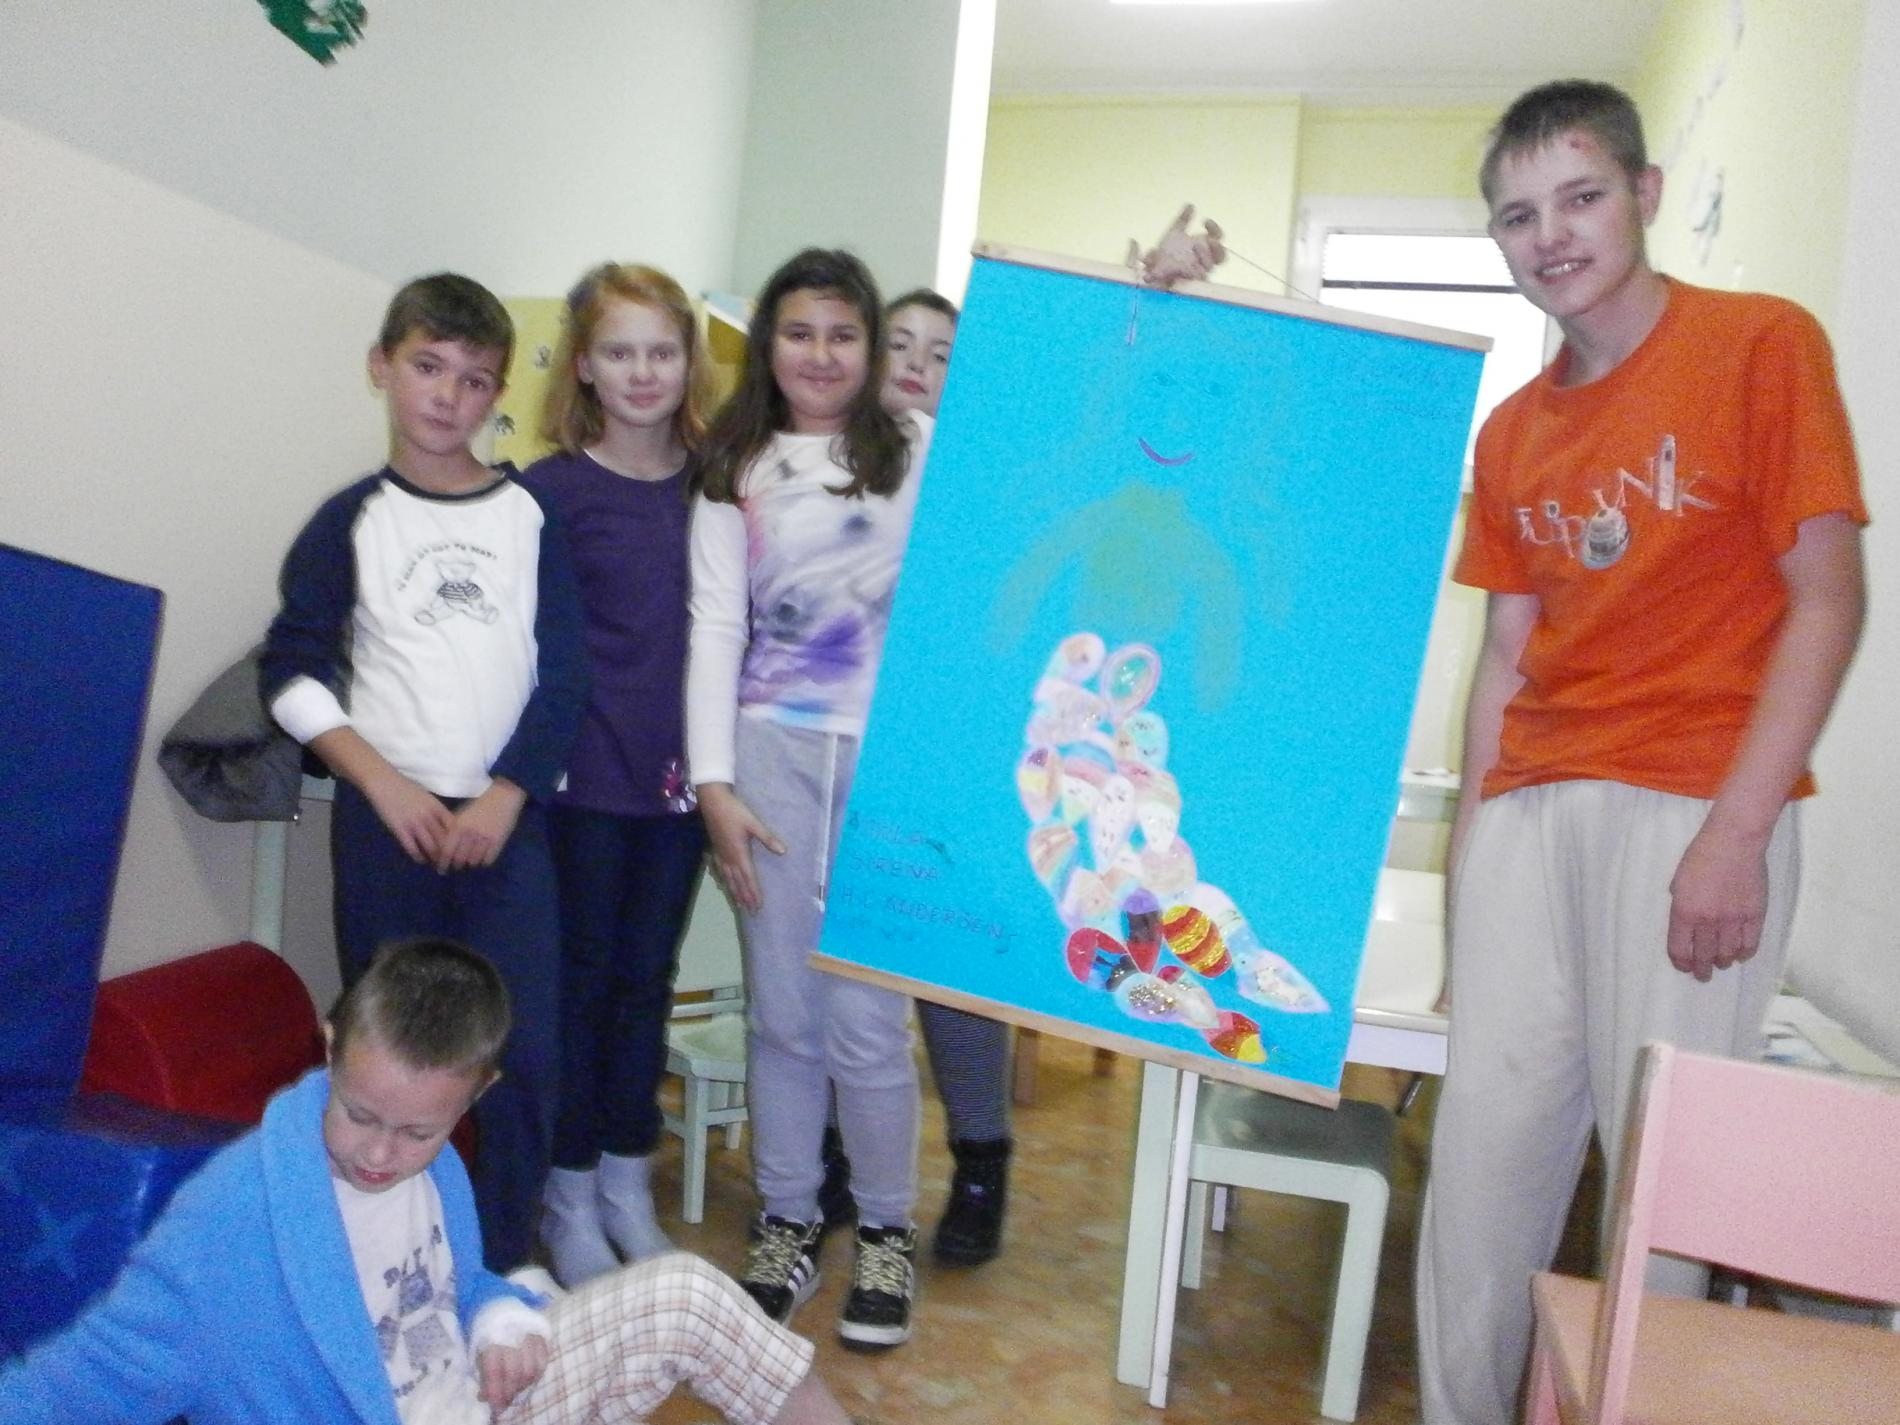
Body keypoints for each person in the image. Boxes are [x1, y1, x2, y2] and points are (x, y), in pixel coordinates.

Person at [1414, 80, 1867, 1425]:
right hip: (1529, 812)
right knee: (1478, 1179)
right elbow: (1506, 658)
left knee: (1659, 1197)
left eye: (1580, 197)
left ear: (1644, 194)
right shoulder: (1510, 432)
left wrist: (1736, 834)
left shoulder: (1761, 344)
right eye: (1517, 216)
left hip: (1691, 808)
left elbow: (1828, 600)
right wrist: (1468, 874)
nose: (1550, 235)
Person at [0, 938, 853, 1425]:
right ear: (330, 1046)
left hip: (481, 1398)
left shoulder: (437, 1169)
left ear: (476, 1092)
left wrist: (496, 1318)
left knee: (689, 1297)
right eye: (361, 1114)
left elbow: (452, 1285)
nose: (380, 1153)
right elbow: (83, 1377)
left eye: (418, 1130)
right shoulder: (229, 1222)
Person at [259, 273, 589, 1272]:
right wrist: (382, 781)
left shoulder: (529, 516)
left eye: (474, 379)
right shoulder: (349, 520)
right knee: (388, 1058)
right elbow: (291, 673)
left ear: (498, 395)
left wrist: (505, 793)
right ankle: (380, 1258)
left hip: (504, 826)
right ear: (383, 367)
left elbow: (566, 675)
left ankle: (501, 1265)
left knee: (522, 1054)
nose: (449, 395)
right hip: (386, 825)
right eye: (428, 367)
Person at [686, 247, 934, 1350]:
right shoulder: (733, 461)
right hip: (769, 759)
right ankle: (787, 1217)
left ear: (870, 345)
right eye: (799, 333)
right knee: (783, 1015)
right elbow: (714, 627)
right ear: (767, 345)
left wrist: (1145, 293)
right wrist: (715, 786)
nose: (821, 355)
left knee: (869, 1025)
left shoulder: (918, 448)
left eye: (843, 333)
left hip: (886, 769)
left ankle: (884, 1229)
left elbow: (1052, 441)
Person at [518, 264, 716, 1285]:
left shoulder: (717, 485)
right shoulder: (547, 492)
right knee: (582, 986)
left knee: (647, 985)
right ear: (585, 366)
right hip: (581, 788)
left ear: (690, 362)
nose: (643, 371)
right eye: (620, 351)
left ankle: (627, 1184)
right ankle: (567, 1191)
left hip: (679, 788)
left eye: (662, 351)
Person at [815, 286, 1017, 1269]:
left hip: (953, 757)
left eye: (940, 352)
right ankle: (839, 1156)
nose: (914, 363)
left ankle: (981, 1163)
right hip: (842, 753)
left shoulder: (985, 476)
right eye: (897, 343)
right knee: (844, 961)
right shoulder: (827, 464)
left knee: (949, 971)